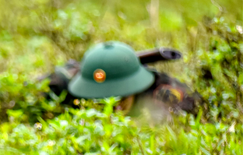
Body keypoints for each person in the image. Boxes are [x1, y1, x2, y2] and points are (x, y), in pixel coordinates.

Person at [51, 41, 203, 119]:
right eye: (100, 100)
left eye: (120, 98)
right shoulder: (66, 82)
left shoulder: (159, 90)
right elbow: (33, 90)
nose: (113, 108)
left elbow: (199, 107)